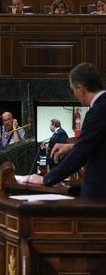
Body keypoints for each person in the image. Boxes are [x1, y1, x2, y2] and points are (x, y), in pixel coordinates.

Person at [27, 63, 106, 198]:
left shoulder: (98, 111)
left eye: (72, 90)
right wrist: (71, 146)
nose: (74, 95)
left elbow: (79, 156)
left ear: (80, 88)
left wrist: (46, 179)